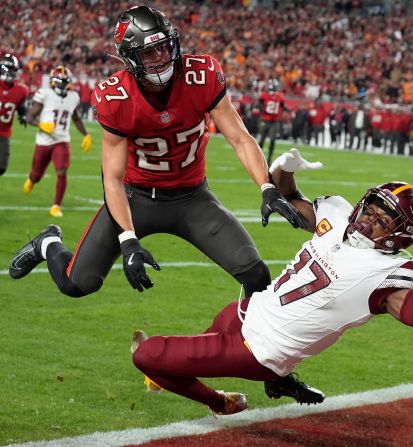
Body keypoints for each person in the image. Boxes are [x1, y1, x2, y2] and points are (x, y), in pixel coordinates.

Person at [8, 6, 316, 405]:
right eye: (148, 53)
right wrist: (129, 240)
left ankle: (271, 373)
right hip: (136, 197)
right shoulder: (115, 96)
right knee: (77, 284)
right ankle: (49, 243)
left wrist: (266, 188)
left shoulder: (201, 74)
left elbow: (239, 137)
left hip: (192, 197)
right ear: (130, 59)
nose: (160, 58)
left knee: (256, 276)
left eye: (164, 48)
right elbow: (113, 180)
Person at [130, 148, 413, 415]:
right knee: (197, 343)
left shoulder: (387, 275)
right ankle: (277, 383)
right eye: (371, 208)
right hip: (250, 309)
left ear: (401, 236)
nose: (368, 219)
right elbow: (289, 197)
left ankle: (220, 402)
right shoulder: (337, 215)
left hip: (262, 349)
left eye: (384, 220)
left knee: (148, 356)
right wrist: (283, 169)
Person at [21, 65, 92, 217]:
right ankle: (32, 180)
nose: (62, 84)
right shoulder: (45, 94)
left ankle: (56, 206)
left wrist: (86, 134)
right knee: (37, 175)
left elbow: (76, 118)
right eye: (59, 81)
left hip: (62, 139)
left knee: (62, 171)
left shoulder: (73, 97)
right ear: (53, 81)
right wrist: (40, 124)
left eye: (65, 81)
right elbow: (28, 117)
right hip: (44, 141)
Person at [0, 54, 30, 177]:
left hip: (4, 132)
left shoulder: (21, 90)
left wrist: (23, 115)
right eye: (7, 69)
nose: (10, 73)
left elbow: (21, 106)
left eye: (13, 70)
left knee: (1, 167)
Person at [257, 78, 285, 162]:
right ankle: (258, 157)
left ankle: (269, 158)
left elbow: (282, 106)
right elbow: (258, 104)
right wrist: (263, 109)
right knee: (262, 140)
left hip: (273, 121)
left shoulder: (279, 97)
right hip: (265, 120)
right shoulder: (264, 95)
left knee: (272, 140)